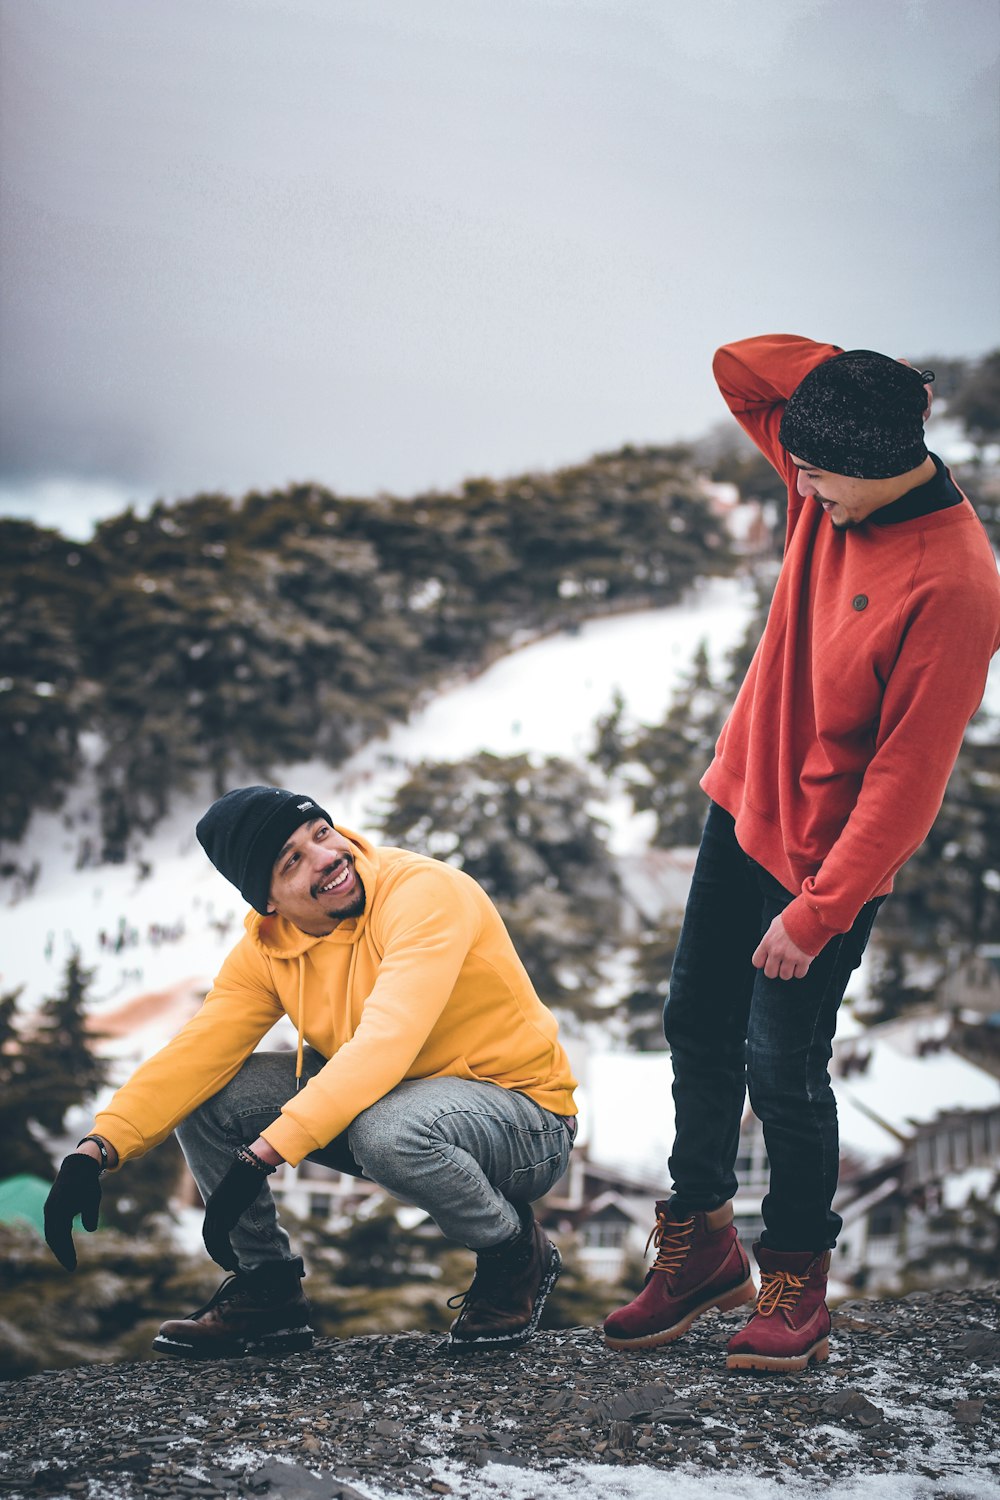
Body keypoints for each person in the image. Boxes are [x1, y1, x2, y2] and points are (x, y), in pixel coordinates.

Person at [604, 334, 1000, 1372]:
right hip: (740, 809)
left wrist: (818, 910)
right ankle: (698, 1247)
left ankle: (794, 1282)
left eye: (817, 471)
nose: (799, 484)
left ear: (877, 467)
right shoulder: (832, 476)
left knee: (784, 1067)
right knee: (694, 1021)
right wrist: (866, 384)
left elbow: (907, 783)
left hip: (825, 861)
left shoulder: (954, 582)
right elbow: (742, 365)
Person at [44, 787, 578, 1357]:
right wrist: (98, 1147)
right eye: (291, 861)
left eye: (321, 834)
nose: (326, 857)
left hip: (524, 1120)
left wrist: (265, 1153)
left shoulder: (423, 893)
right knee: (208, 1094)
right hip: (393, 1105)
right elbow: (195, 1055)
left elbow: (386, 1042)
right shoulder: (268, 951)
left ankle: (514, 1253)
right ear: (267, 900)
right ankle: (268, 1292)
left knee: (389, 1131)